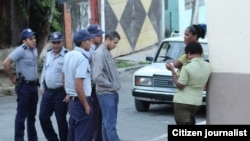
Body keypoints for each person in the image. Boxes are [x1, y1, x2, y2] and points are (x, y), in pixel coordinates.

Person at [3, 28, 39, 141]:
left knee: (32, 116)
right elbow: (6, 63)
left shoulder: (34, 50)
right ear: (24, 41)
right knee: (21, 116)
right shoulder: (21, 50)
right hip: (24, 87)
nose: (34, 40)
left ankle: (32, 138)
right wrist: (12, 77)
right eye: (30, 39)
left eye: (34, 38)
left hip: (33, 87)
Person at [166, 41, 212, 125]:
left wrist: (172, 71)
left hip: (183, 102)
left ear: (189, 53)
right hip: (197, 102)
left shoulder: (187, 67)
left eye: (186, 54)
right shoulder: (208, 66)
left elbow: (180, 86)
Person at [62, 29, 95, 141]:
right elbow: (78, 84)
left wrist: (68, 92)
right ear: (83, 43)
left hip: (72, 101)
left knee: (73, 134)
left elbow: (63, 76)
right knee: (83, 134)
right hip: (81, 101)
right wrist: (86, 105)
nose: (91, 42)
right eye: (89, 40)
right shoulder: (82, 59)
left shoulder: (68, 55)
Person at [39, 32, 68, 141]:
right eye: (53, 43)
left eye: (58, 42)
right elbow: (45, 70)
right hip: (48, 92)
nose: (55, 45)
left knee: (61, 121)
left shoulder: (67, 55)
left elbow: (69, 76)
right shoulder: (49, 54)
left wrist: (69, 93)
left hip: (60, 94)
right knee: (43, 117)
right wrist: (42, 85)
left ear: (62, 42)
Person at [92, 31, 121, 141]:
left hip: (111, 93)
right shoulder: (100, 54)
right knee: (110, 124)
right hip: (106, 93)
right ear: (108, 39)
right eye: (114, 42)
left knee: (106, 123)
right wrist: (111, 85)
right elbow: (97, 77)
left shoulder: (107, 52)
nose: (115, 45)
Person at [87, 24, 104, 141]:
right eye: (99, 35)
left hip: (96, 87)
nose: (101, 37)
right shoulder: (91, 52)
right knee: (95, 118)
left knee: (99, 117)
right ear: (92, 37)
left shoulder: (97, 49)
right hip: (93, 88)